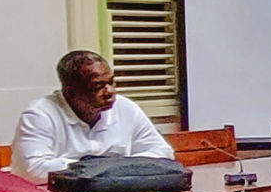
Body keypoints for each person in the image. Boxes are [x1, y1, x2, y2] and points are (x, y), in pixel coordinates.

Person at [12, 50, 174, 184]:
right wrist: (104, 166)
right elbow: (33, 171)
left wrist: (108, 167)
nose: (110, 91)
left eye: (111, 82)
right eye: (98, 86)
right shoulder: (40, 115)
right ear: (70, 92)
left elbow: (163, 153)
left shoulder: (125, 107)